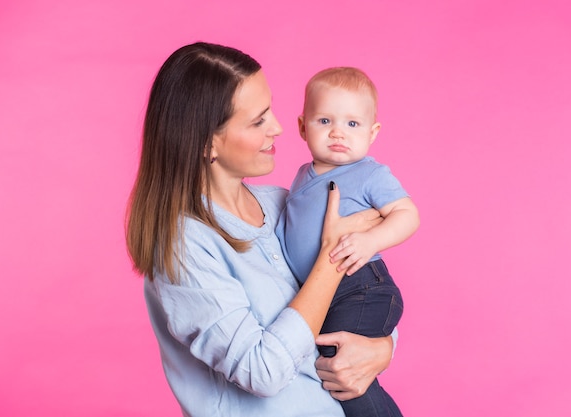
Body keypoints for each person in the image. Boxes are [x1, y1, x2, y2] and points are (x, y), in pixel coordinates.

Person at [125, 42, 396, 417]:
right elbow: (262, 372)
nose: (280, 128)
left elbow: (363, 297)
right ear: (207, 144)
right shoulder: (183, 247)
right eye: (258, 120)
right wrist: (331, 258)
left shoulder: (284, 204)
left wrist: (384, 348)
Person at [277, 67, 420, 417]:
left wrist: (370, 241)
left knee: (341, 370)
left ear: (373, 133)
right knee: (338, 373)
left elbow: (407, 214)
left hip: (362, 286)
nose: (338, 132)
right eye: (324, 120)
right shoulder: (301, 176)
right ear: (302, 127)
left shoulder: (369, 173)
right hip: (325, 292)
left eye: (352, 124)